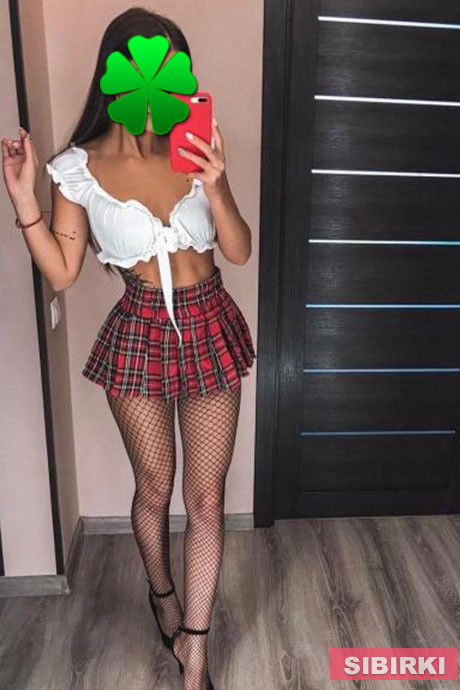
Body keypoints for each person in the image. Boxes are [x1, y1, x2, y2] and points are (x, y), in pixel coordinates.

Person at [1, 7, 256, 690]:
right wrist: (24, 198)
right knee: (155, 488)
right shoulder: (75, 169)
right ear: (115, 74)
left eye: (172, 70)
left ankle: (194, 651)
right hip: (139, 333)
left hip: (209, 323)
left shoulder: (196, 150)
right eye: (145, 68)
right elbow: (63, 272)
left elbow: (238, 249)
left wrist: (216, 184)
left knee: (206, 499)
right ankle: (163, 596)